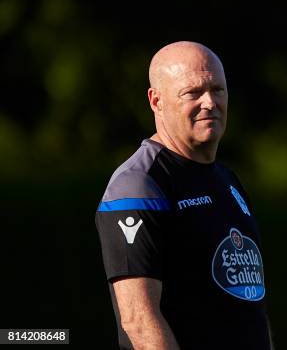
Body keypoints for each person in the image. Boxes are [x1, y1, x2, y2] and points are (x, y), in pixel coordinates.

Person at [95, 41, 272, 349]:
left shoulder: (228, 181)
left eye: (217, 89)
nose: (210, 103)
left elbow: (251, 304)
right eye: (193, 93)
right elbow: (139, 320)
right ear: (156, 100)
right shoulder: (139, 185)